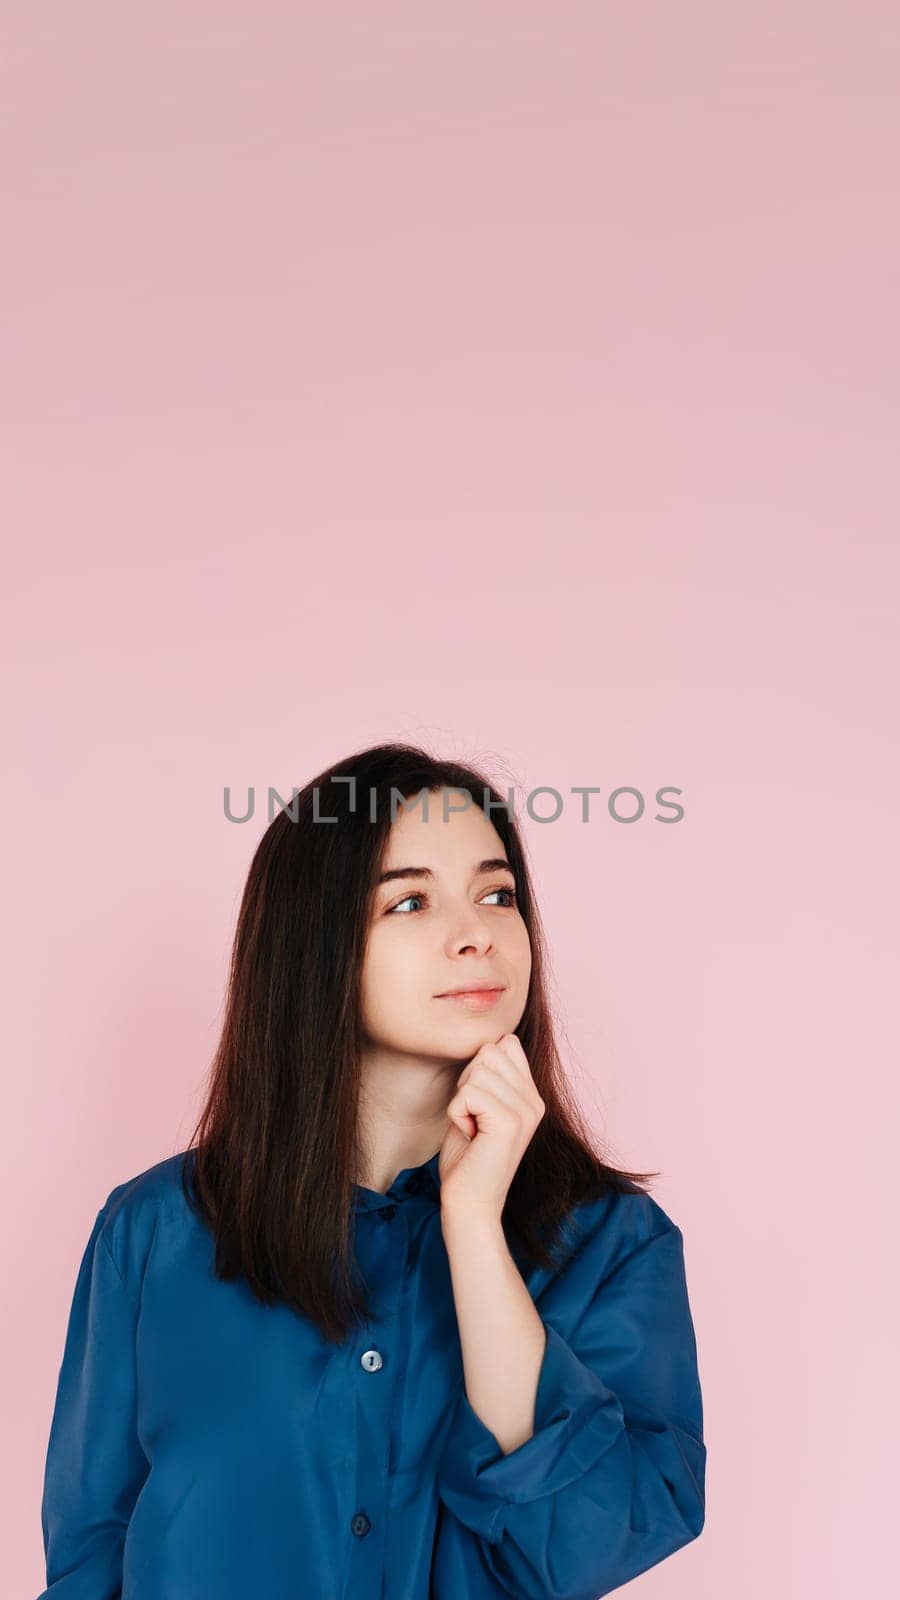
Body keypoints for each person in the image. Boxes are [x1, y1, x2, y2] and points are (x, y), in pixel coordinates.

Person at [37, 742, 706, 1600]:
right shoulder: (156, 1232)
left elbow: (583, 1546)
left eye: (498, 895)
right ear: (314, 942)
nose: (477, 936)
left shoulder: (612, 1244)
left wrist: (472, 1230)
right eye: (413, 901)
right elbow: (92, 1553)